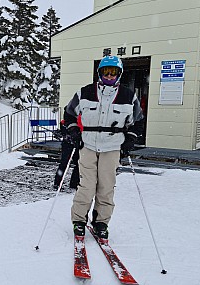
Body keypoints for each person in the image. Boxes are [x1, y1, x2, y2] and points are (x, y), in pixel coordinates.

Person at [64, 55, 144, 240]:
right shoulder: (84, 93)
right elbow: (69, 115)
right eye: (105, 72)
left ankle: (101, 222)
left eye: (113, 72)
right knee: (87, 186)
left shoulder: (128, 96)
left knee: (106, 187)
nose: (109, 76)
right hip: (88, 145)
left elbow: (138, 122)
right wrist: (74, 132)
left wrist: (130, 139)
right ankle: (79, 221)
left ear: (119, 74)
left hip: (112, 147)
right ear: (99, 73)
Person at [53, 116, 80, 190]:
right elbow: (64, 131)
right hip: (67, 145)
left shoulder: (81, 119)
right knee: (64, 164)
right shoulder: (66, 122)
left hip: (77, 145)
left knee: (78, 164)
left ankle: (74, 183)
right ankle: (57, 183)